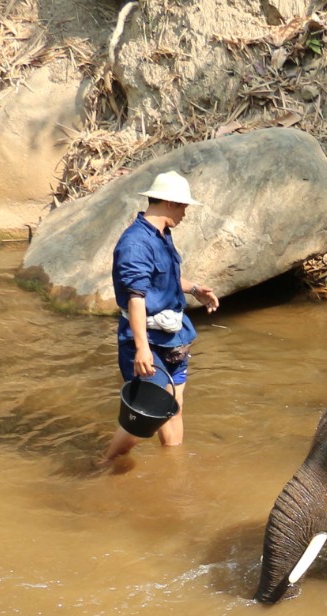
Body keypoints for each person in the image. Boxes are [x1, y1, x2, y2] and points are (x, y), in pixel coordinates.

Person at [101, 170, 219, 469]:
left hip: (174, 339)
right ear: (168, 202)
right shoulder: (135, 244)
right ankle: (102, 464)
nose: (185, 213)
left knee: (173, 409)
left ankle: (174, 470)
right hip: (147, 341)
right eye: (182, 206)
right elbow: (136, 298)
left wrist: (194, 289)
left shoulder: (163, 235)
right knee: (142, 420)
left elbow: (167, 278)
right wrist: (141, 348)